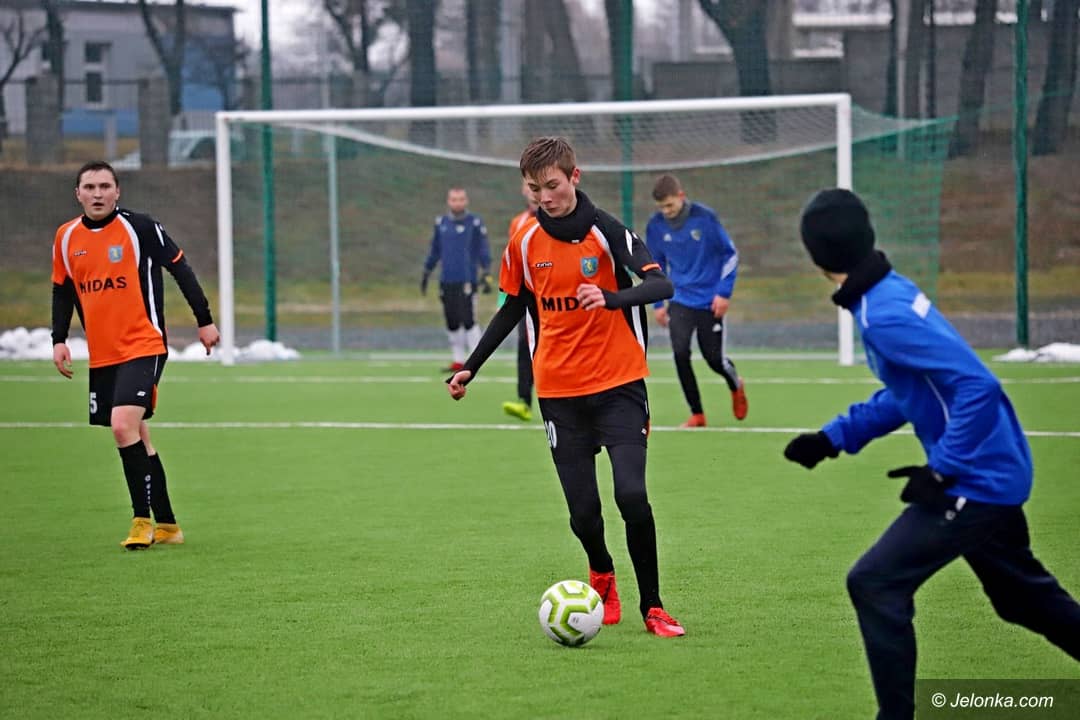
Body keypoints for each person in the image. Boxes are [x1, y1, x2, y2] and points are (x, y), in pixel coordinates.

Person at [783, 188, 1080, 719]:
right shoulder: (888, 292)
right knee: (1022, 599)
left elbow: (977, 386)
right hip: (992, 467)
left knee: (875, 582)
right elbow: (912, 391)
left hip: (977, 480)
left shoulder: (884, 314)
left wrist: (943, 469)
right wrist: (834, 437)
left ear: (817, 257)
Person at [447, 137, 686, 638]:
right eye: (534, 189)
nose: (544, 197)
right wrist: (472, 366)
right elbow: (513, 307)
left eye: (552, 185)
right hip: (559, 391)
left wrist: (612, 298)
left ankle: (653, 606)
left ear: (574, 177)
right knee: (583, 514)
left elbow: (660, 285)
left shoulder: (607, 231)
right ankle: (602, 571)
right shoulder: (524, 240)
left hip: (620, 384)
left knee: (632, 495)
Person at [51, 160, 220, 549]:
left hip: (145, 344)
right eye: (89, 187)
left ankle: (141, 521)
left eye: (104, 186)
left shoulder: (140, 227)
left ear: (117, 191)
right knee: (138, 436)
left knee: (122, 426)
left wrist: (205, 320)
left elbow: (180, 268)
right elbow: (62, 289)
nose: (97, 194)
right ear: (78, 194)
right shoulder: (66, 237)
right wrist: (59, 338)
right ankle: (169, 526)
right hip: (103, 353)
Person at [645, 173, 747, 428]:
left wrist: (724, 293)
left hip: (710, 301)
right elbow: (655, 266)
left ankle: (735, 384)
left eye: (670, 205)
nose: (666, 212)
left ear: (681, 196)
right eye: (661, 207)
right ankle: (697, 414)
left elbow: (730, 255)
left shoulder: (705, 218)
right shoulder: (655, 226)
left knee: (714, 359)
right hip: (679, 299)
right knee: (680, 353)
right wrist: (658, 304)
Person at [421, 187, 492, 372]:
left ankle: (476, 359)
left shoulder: (475, 223)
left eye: (460, 199)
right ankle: (458, 360)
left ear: (466, 201)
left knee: (468, 319)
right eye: (454, 199)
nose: (457, 203)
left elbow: (483, 249)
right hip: (447, 279)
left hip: (467, 279)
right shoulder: (441, 223)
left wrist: (486, 271)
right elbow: (435, 250)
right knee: (452, 320)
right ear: (448, 201)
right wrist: (427, 271)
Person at [500, 180, 539, 422]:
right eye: (529, 186)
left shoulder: (559, 220)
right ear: (523, 190)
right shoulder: (518, 222)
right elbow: (511, 263)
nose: (533, 192)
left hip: (555, 296)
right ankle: (524, 401)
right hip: (527, 297)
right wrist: (504, 297)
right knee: (525, 344)